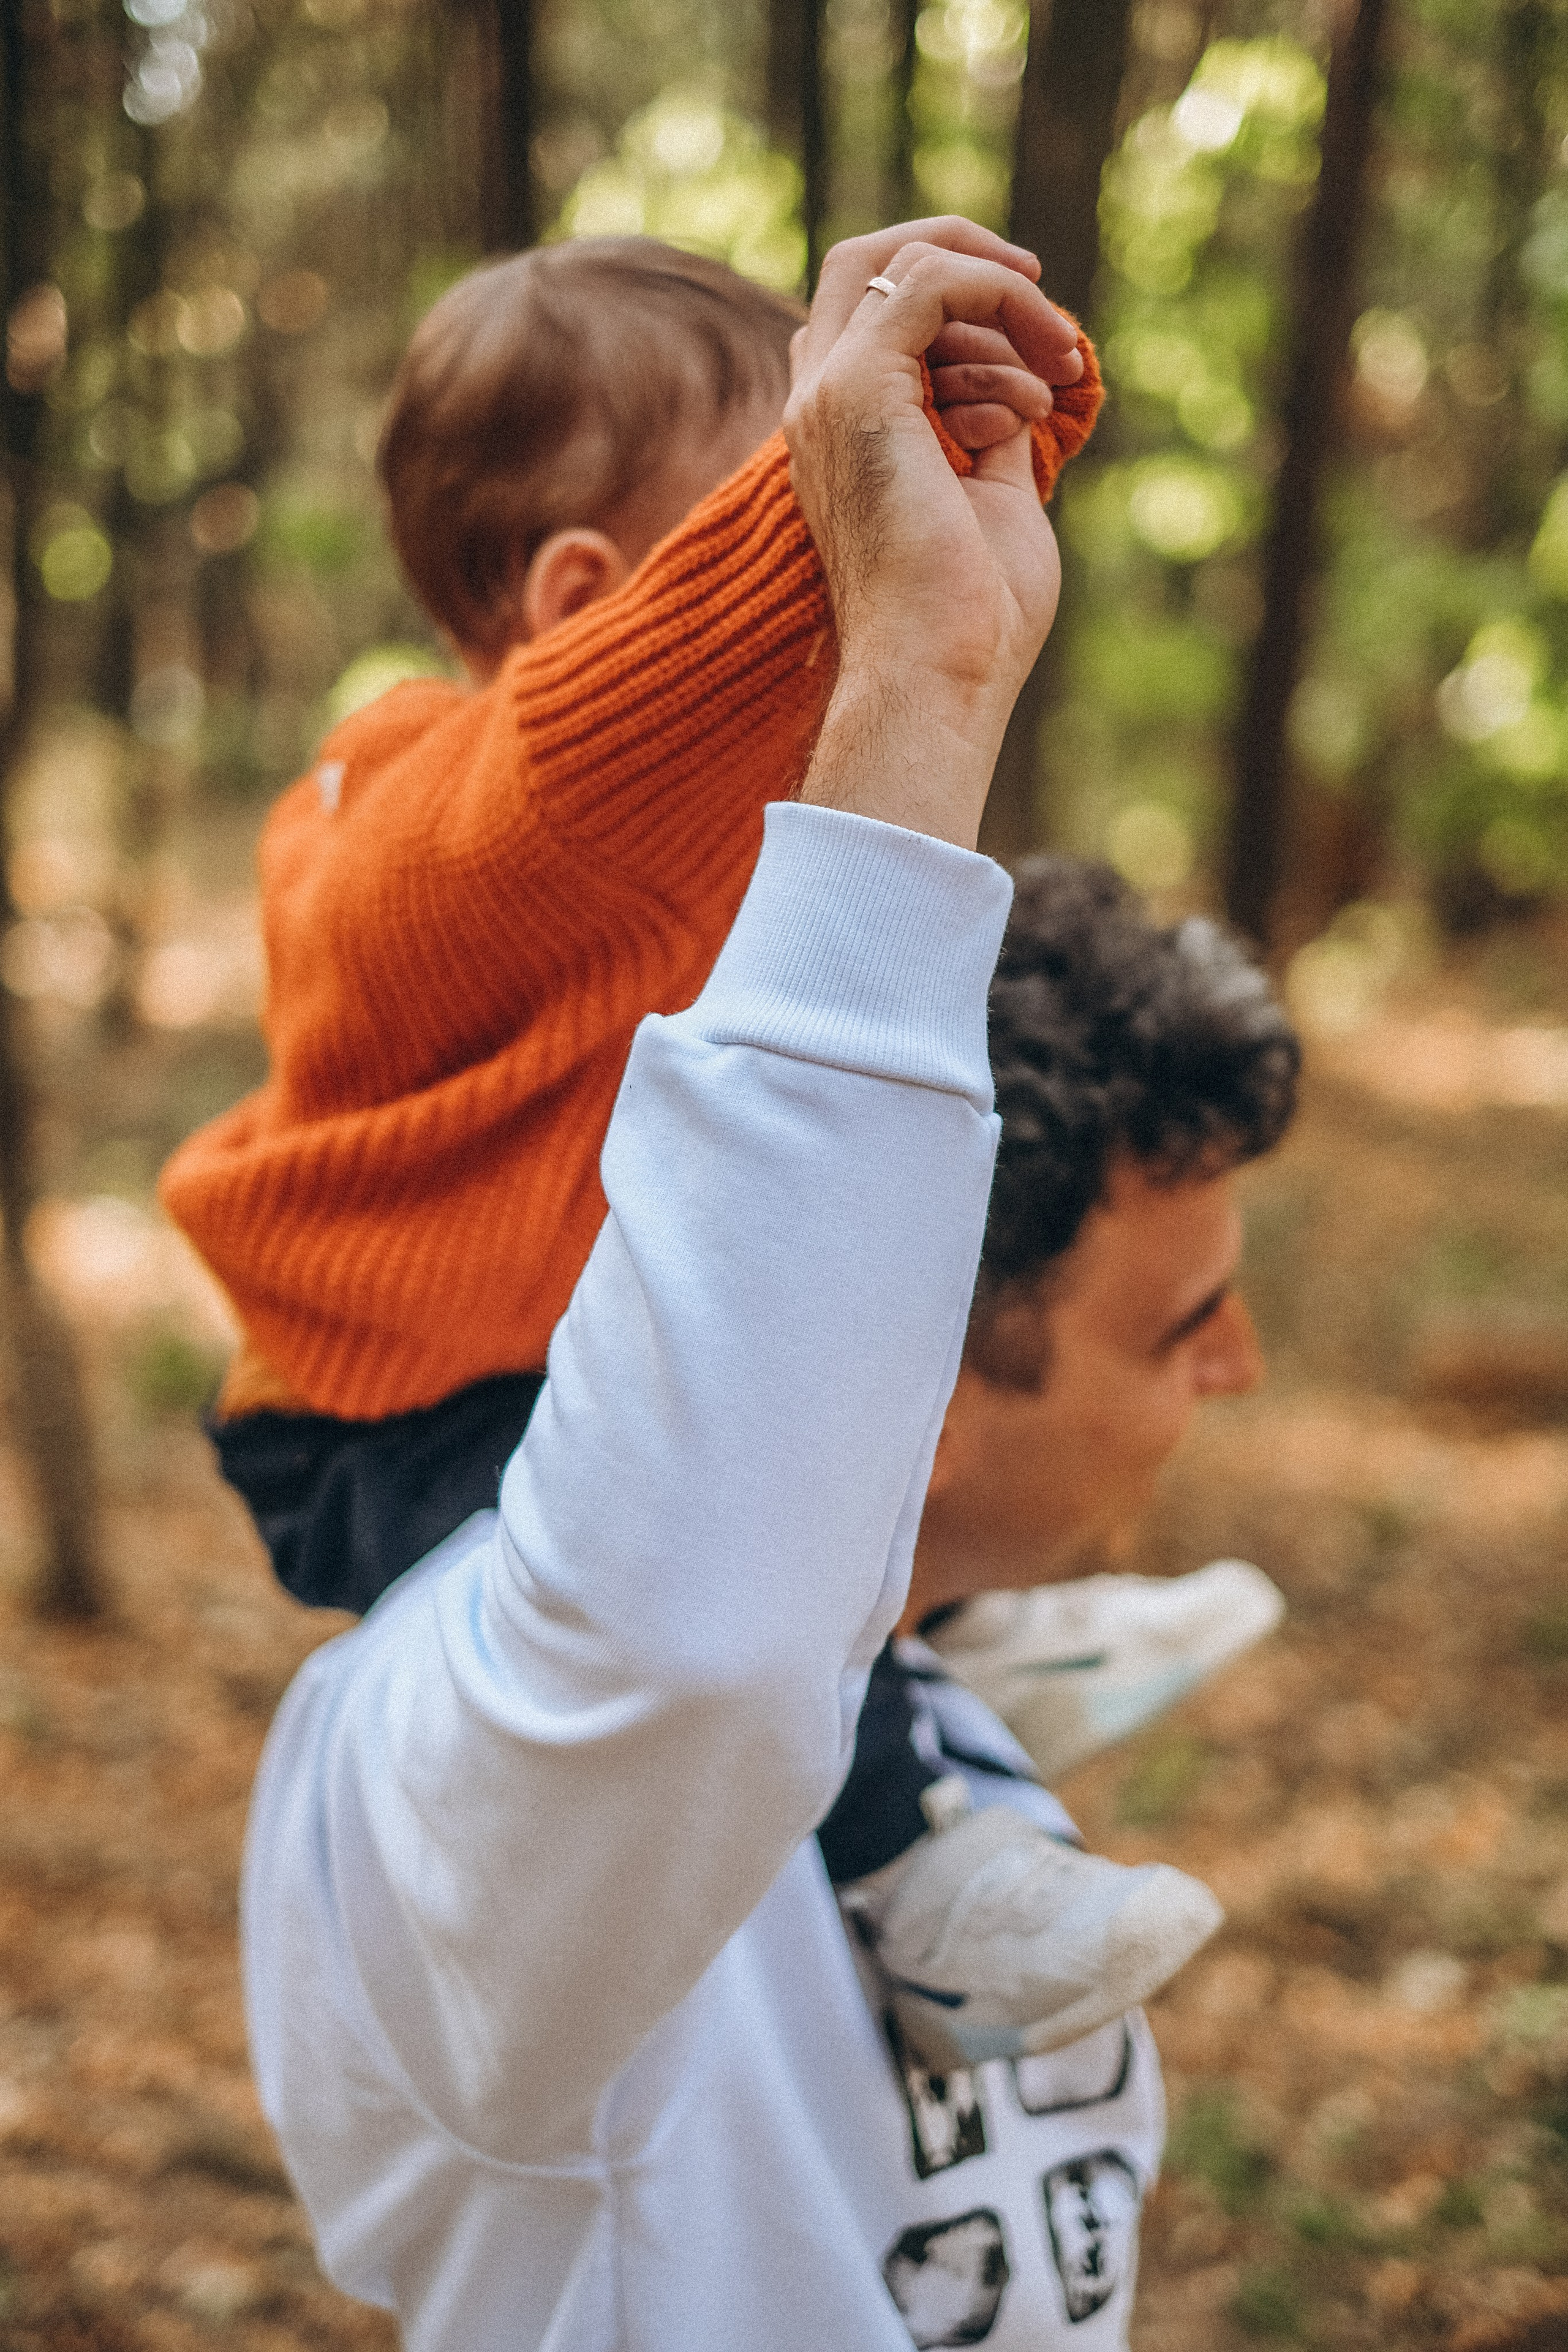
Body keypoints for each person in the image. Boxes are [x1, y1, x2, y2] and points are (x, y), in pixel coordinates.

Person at [238, 235, 1292, 2350]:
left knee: (798, 1620)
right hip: (412, 1415)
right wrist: (885, 637)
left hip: (610, 1433)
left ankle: (941, 1671)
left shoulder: (691, 884)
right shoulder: (394, 801)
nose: (1248, 1376)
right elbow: (699, 1621)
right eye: (1181, 1326)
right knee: (736, 1635)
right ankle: (901, 1754)